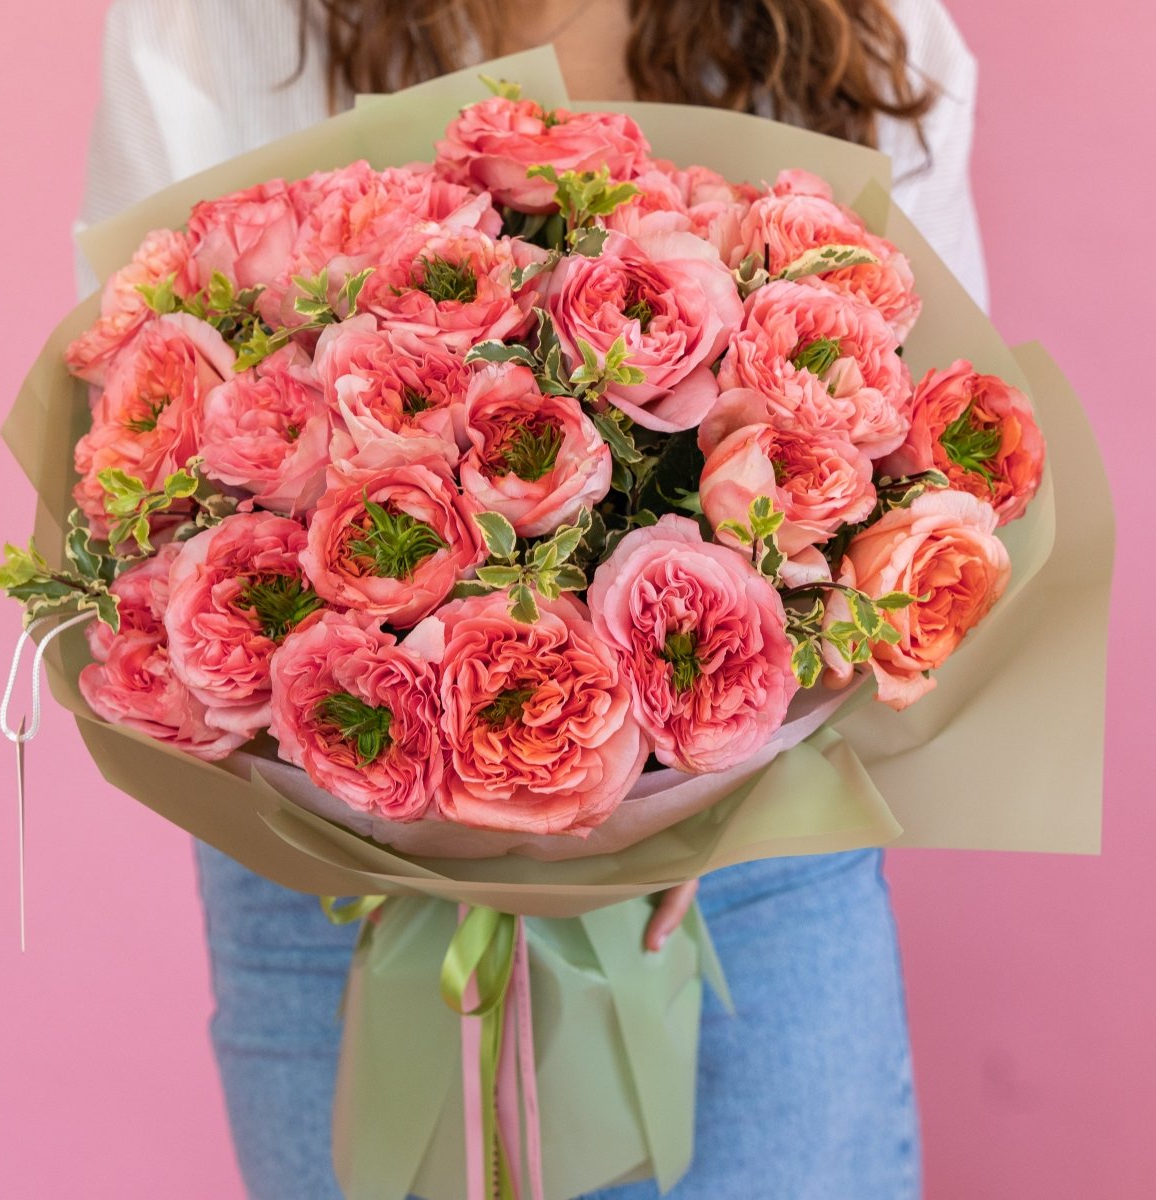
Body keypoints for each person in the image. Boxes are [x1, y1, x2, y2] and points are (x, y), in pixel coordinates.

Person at [76, 1, 988, 1196]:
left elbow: (942, 471)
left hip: (753, 874)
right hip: (326, 879)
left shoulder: (867, 27)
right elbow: (123, 439)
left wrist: (705, 775)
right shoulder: (209, 21)